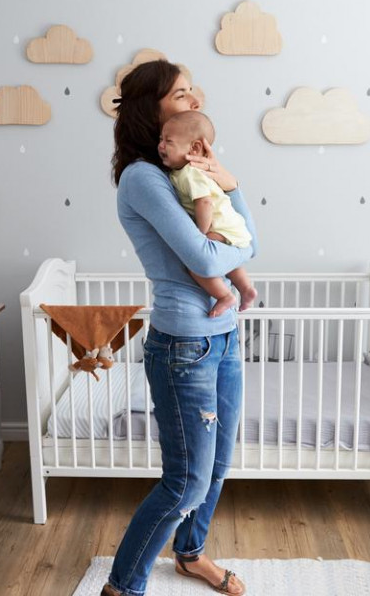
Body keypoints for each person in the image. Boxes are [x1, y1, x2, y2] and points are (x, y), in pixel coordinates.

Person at [101, 59, 258, 596]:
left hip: (224, 333)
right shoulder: (145, 178)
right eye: (182, 95)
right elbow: (205, 256)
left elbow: (251, 242)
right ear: (154, 108)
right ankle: (123, 585)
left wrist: (229, 182)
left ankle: (190, 555)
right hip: (185, 343)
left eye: (193, 93)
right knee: (186, 478)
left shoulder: (183, 174)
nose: (195, 101)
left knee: (216, 466)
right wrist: (227, 203)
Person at [158, 110, 257, 317]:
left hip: (218, 225)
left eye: (168, 141)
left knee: (194, 263)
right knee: (229, 262)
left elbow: (204, 202)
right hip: (230, 225)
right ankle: (246, 289)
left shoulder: (190, 172)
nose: (161, 146)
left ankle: (224, 296)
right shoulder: (184, 172)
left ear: (194, 148)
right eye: (160, 139)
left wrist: (200, 234)